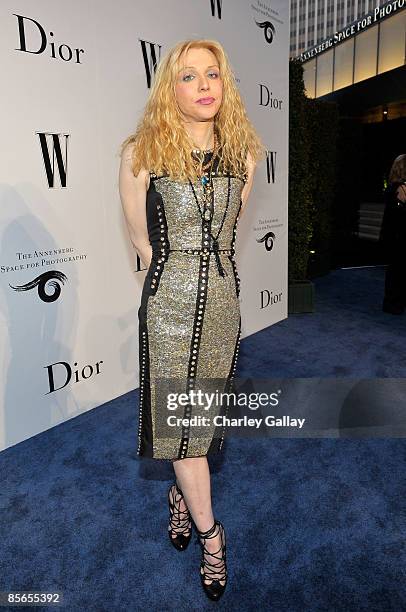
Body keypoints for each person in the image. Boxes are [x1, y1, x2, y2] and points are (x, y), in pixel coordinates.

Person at [118, 38, 265, 601]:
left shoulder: (245, 155)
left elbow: (226, 238)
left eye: (213, 74)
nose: (204, 85)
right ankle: (212, 535)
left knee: (199, 427)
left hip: (224, 308)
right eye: (188, 76)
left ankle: (180, 499)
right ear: (169, 89)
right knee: (182, 435)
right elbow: (140, 239)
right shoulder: (142, 152)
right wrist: (176, 285)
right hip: (168, 311)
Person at [380, 154, 406, 315]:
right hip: (399, 236)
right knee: (398, 270)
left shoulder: (392, 187)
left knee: (396, 270)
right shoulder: (399, 188)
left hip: (395, 235)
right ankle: (394, 303)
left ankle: (393, 303)